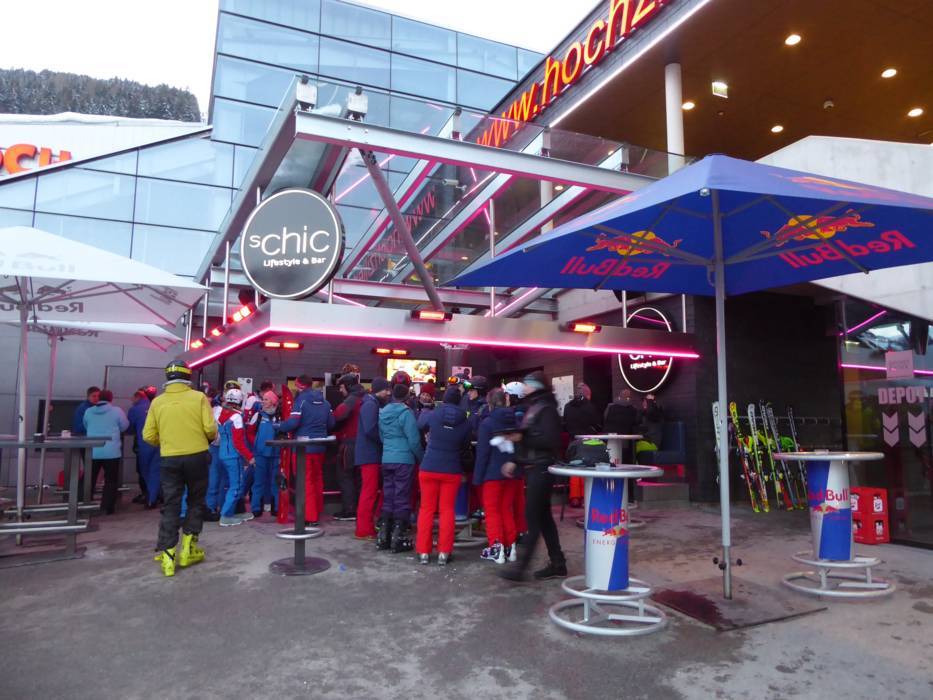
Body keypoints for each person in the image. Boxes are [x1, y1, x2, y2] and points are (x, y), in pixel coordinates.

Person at [143, 360, 217, 577]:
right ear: (188, 376)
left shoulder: (157, 402)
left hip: (169, 458)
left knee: (171, 503)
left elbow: (148, 435)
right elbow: (210, 429)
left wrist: (167, 442)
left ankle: (167, 554)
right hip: (197, 457)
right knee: (195, 501)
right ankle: (188, 549)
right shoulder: (199, 398)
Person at [499, 371, 567, 582]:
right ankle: (558, 563)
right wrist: (516, 459)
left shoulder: (545, 409)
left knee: (533, 517)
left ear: (536, 386)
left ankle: (520, 568)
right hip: (537, 467)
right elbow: (535, 438)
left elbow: (550, 440)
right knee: (544, 518)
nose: (524, 387)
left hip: (542, 468)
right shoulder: (537, 406)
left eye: (527, 384)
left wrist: (521, 438)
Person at [416, 385, 471, 566]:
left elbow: (420, 425)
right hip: (451, 469)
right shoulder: (465, 422)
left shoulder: (432, 415)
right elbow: (465, 448)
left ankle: (423, 552)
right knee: (447, 511)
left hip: (429, 466)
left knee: (426, 509)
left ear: (444, 399)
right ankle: (444, 553)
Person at [275, 375, 334, 526]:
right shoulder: (326, 402)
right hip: (320, 446)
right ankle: (317, 510)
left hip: (303, 448)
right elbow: (331, 424)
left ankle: (310, 517)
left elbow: (293, 423)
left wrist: (278, 426)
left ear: (299, 385)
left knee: (305, 480)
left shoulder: (301, 400)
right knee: (317, 478)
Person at [473, 388, 520, 565]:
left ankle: (496, 547)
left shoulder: (487, 423)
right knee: (506, 509)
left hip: (492, 473)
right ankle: (510, 547)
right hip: (512, 472)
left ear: (490, 403)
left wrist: (478, 478)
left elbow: (483, 453)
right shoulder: (516, 420)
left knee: (492, 511)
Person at [378, 380, 424, 552]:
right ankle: (398, 537)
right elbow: (414, 440)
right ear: (406, 397)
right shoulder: (406, 413)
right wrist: (421, 458)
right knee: (401, 496)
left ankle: (383, 536)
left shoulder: (382, 412)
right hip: (404, 459)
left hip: (387, 458)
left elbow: (382, 437)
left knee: (388, 495)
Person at [354, 377, 390, 539]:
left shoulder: (371, 403)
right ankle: (363, 530)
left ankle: (365, 527)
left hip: (368, 454)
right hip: (369, 455)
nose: (388, 393)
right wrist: (385, 439)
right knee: (369, 492)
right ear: (378, 390)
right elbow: (370, 429)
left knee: (370, 491)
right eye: (386, 390)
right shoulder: (371, 405)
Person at [82, 389, 129, 515]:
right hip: (111, 451)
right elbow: (124, 426)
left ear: (99, 398)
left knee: (89, 478)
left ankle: (84, 503)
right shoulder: (117, 411)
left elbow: (86, 425)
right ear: (111, 399)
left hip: (93, 450)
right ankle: (107, 507)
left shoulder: (88, 411)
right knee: (110, 480)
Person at [215, 388, 255, 527]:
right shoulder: (236, 417)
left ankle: (235, 511)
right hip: (233, 455)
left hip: (222, 453)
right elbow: (238, 442)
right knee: (236, 486)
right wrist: (250, 457)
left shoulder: (219, 412)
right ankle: (226, 516)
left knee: (228, 484)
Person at [332, 372, 366, 521]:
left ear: (348, 386)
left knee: (345, 476)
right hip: (364, 444)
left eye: (341, 387)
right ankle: (359, 509)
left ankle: (349, 510)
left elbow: (338, 416)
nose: (340, 390)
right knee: (359, 479)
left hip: (349, 444)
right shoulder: (365, 397)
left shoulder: (352, 399)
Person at [562, 382, 603, 507]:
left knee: (575, 467)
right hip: (588, 441)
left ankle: (575, 497)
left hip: (573, 441)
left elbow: (565, 423)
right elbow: (596, 424)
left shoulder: (567, 406)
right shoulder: (590, 407)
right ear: (587, 395)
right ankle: (586, 496)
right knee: (587, 467)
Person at [247, 390, 280, 518]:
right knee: (258, 481)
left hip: (276, 454)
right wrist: (256, 443)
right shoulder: (258, 415)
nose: (263, 402)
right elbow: (249, 432)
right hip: (260, 454)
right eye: (263, 399)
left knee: (275, 482)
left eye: (266, 399)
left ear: (273, 401)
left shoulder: (280, 416)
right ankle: (256, 508)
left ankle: (276, 507)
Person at [127, 387, 161, 508]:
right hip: (159, 443)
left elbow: (129, 427)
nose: (131, 400)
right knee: (156, 471)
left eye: (133, 398)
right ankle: (154, 497)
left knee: (145, 471)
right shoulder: (156, 405)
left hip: (144, 444)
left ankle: (150, 497)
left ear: (137, 397)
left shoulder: (135, 409)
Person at [636, 394, 665, 462]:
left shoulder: (656, 414)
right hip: (644, 441)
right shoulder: (643, 414)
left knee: (633, 448)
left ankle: (634, 467)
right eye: (644, 401)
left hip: (653, 443)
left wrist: (650, 401)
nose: (644, 402)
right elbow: (636, 421)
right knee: (629, 446)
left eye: (646, 401)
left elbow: (651, 412)